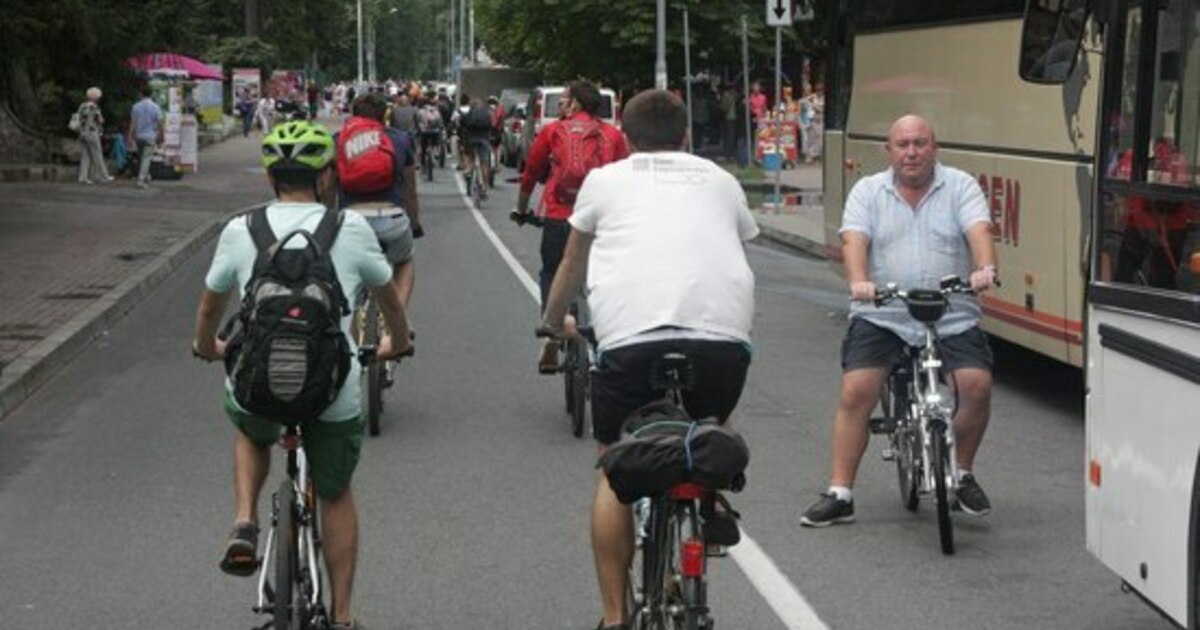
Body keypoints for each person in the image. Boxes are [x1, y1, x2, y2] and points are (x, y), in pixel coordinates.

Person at [539, 89, 756, 630]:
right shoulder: (721, 181)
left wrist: (552, 325)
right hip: (721, 342)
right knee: (714, 418)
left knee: (614, 463)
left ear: (625, 138)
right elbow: (731, 252)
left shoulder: (605, 181)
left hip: (632, 342)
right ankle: (709, 499)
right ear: (686, 135)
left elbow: (571, 264)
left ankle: (614, 617)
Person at [192, 120, 412, 630]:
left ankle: (244, 520)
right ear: (327, 177)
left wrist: (209, 347)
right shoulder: (351, 230)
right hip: (330, 387)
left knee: (250, 426)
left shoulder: (240, 229)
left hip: (259, 383)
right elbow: (390, 304)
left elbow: (208, 309)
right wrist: (395, 345)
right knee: (334, 493)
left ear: (270, 176)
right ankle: (342, 615)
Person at [799, 114, 1000, 527]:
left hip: (950, 311)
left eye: (920, 143)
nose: (912, 152)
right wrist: (859, 282)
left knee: (976, 387)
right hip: (885, 312)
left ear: (935, 148)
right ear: (888, 151)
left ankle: (962, 473)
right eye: (903, 144)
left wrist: (985, 269)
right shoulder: (868, 191)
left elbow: (979, 231)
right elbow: (855, 240)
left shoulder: (960, 185)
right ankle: (840, 492)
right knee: (858, 390)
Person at [514, 80, 629, 372]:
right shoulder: (613, 135)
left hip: (560, 215)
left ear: (576, 104)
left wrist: (522, 208)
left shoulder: (552, 132)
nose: (562, 104)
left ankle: (552, 333)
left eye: (565, 100)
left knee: (551, 272)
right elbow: (626, 179)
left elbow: (530, 174)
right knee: (605, 277)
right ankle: (608, 333)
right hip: (602, 220)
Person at [335, 93, 423, 316]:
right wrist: (414, 224)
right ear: (385, 115)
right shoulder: (401, 139)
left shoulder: (338, 140)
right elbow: (410, 190)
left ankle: (347, 321)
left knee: (340, 267)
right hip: (391, 219)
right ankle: (399, 320)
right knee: (404, 261)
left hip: (350, 220)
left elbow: (327, 187)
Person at [75, 87, 113, 185]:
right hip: (92, 132)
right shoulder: (94, 107)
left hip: (82, 132)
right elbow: (100, 120)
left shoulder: (82, 106)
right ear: (95, 97)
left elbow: (78, 118)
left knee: (85, 155)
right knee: (97, 154)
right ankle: (103, 176)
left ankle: (82, 177)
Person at [127, 85, 162, 189]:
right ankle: (141, 180)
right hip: (150, 136)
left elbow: (133, 123)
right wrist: (161, 134)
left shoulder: (135, 106)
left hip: (139, 136)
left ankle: (146, 176)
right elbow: (159, 122)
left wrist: (130, 137)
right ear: (151, 94)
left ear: (141, 94)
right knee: (146, 158)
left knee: (142, 157)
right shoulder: (156, 107)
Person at [458, 96, 494, 192]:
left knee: (471, 159)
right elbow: (491, 126)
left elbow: (462, 124)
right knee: (484, 163)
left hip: (471, 140)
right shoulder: (487, 113)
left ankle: (469, 170)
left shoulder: (470, 113)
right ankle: (485, 187)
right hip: (484, 140)